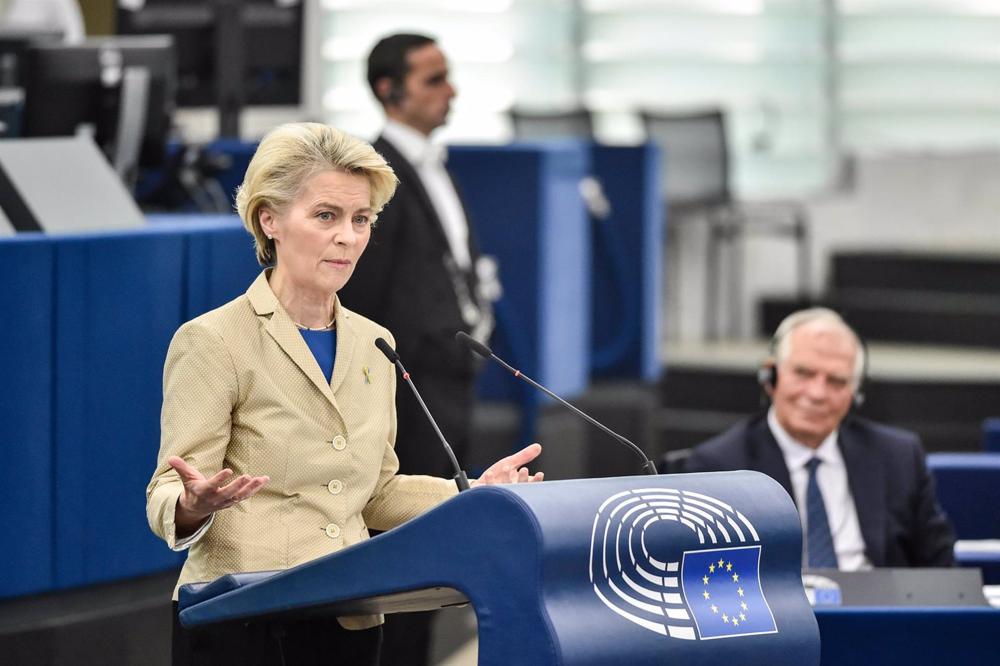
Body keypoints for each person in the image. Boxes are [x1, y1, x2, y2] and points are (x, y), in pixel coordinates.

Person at [146, 122, 543, 666]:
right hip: (244, 617)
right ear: (270, 219)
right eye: (326, 216)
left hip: (349, 617)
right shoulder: (214, 340)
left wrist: (474, 493)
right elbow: (169, 490)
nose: (348, 237)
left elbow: (373, 492)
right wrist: (192, 505)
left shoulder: (375, 341)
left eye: (362, 220)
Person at [337, 35, 496, 664]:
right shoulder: (376, 179)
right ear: (388, 89)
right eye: (433, 79)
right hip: (406, 397)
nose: (449, 90)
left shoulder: (435, 163)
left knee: (439, 558)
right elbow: (364, 295)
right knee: (408, 558)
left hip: (448, 383)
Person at [684, 307, 955, 570]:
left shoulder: (899, 457)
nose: (817, 393)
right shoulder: (718, 467)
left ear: (856, 394)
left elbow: (943, 573)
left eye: (836, 381)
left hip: (878, 611)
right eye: (803, 373)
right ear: (770, 376)